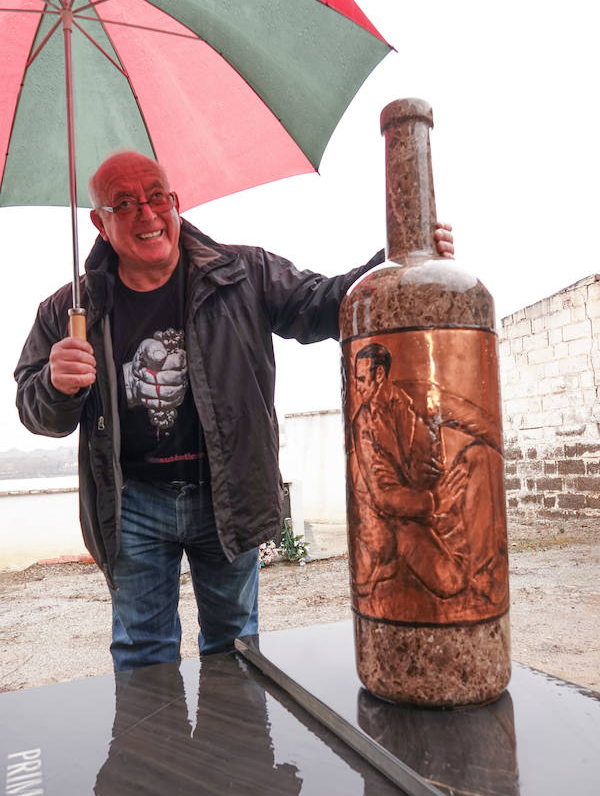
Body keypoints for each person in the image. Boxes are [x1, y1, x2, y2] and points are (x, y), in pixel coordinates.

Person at [14, 151, 454, 671]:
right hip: (132, 505)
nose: (147, 213)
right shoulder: (70, 311)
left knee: (236, 650)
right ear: (100, 223)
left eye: (157, 196)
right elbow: (35, 411)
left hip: (226, 494)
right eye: (124, 203)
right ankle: (153, 753)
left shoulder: (242, 274)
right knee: (142, 653)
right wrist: (57, 385)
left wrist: (395, 261)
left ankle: (237, 754)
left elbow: (326, 305)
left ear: (175, 203)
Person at [349, 342, 507, 614]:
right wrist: (435, 501)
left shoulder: (422, 395)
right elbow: (384, 496)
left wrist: (499, 450)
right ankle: (387, 559)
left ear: (379, 375)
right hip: (400, 519)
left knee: (480, 456)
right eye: (355, 381)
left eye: (362, 380)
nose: (358, 387)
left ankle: (483, 576)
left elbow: (476, 420)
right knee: (450, 581)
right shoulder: (363, 424)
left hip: (437, 503)